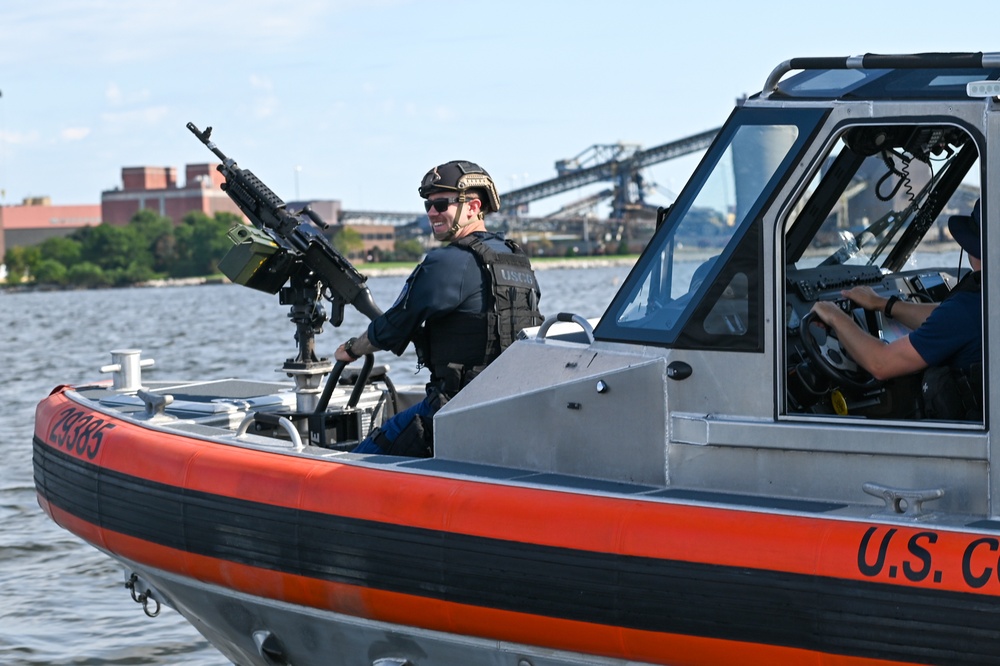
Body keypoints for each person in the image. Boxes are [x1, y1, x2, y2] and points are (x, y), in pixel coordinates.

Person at [335, 160, 543, 456]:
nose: (432, 212)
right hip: (510, 408)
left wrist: (352, 349)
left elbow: (395, 325)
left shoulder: (446, 263)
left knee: (356, 461)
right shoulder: (517, 260)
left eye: (441, 203)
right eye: (428, 205)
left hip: (453, 410)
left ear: (473, 207)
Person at [810, 199, 983, 419]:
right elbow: (943, 318)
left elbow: (880, 363)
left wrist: (834, 316)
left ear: (971, 247)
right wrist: (885, 304)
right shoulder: (983, 302)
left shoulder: (966, 310)